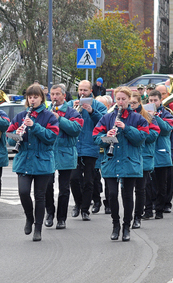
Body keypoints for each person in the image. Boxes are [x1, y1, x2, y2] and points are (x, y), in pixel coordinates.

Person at [93, 86, 149, 241]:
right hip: (111, 161)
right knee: (111, 194)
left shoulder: (138, 118)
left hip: (130, 161)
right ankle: (115, 224)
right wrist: (108, 137)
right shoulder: (107, 117)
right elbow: (96, 138)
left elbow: (141, 139)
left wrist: (126, 128)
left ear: (129, 100)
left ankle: (126, 226)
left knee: (127, 195)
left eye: (123, 99)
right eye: (118, 99)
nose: (120, 102)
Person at [7, 84, 59, 241]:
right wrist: (15, 135)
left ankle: (38, 228)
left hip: (43, 160)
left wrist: (34, 126)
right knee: (23, 192)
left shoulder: (49, 116)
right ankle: (29, 217)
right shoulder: (20, 116)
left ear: (41, 98)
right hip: (24, 159)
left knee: (40, 196)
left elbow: (51, 137)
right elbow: (9, 136)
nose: (32, 99)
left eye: (35, 97)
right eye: (30, 97)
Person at [68, 80, 107, 221]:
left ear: (91, 91)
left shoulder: (98, 106)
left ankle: (85, 210)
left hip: (91, 147)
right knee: (73, 179)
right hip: (75, 147)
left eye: (85, 90)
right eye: (80, 90)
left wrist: (91, 111)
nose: (82, 93)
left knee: (89, 181)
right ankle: (78, 205)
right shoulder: (71, 104)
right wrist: (70, 110)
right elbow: (61, 118)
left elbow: (105, 121)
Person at [45, 85, 83, 230]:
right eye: (52, 94)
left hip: (66, 153)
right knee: (47, 186)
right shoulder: (47, 111)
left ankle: (61, 218)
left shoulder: (72, 112)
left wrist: (59, 119)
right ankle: (49, 213)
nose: (54, 97)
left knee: (64, 188)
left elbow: (75, 130)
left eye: (57, 94)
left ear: (63, 96)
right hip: (49, 152)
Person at [129, 92, 160, 229]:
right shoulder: (121, 116)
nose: (131, 106)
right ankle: (128, 216)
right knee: (127, 190)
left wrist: (138, 134)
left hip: (143, 156)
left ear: (139, 103)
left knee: (141, 189)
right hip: (128, 157)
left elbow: (153, 135)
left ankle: (138, 216)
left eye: (133, 103)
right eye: (129, 103)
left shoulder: (148, 117)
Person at [144, 89, 173, 220]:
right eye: (150, 100)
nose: (152, 103)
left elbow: (167, 129)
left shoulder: (167, 114)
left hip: (161, 152)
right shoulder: (142, 113)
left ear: (160, 101)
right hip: (147, 154)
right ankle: (148, 209)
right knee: (147, 185)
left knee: (161, 184)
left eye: (155, 100)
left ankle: (159, 209)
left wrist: (155, 116)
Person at [156, 85, 173, 214]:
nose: (161, 97)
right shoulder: (149, 107)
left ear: (167, 94)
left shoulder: (172, 107)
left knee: (169, 177)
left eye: (163, 94)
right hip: (154, 149)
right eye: (158, 94)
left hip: (170, 147)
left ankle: (167, 202)